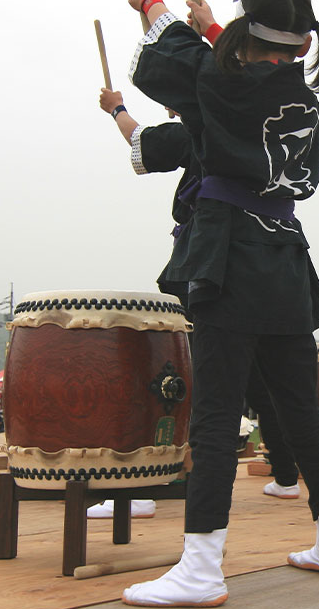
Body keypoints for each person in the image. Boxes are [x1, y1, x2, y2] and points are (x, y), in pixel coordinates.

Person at [119, 0, 319, 608]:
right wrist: (215, 26)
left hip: (231, 259)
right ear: (303, 44)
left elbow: (178, 63)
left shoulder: (220, 85)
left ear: (250, 36)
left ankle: (201, 566)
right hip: (285, 261)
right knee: (300, 411)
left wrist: (151, 3)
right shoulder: (302, 98)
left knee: (218, 413)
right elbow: (230, 65)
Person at [96, 84, 301, 506]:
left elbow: (141, 139)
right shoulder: (257, 131)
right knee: (258, 371)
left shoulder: (203, 128)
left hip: (206, 256)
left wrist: (116, 108)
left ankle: (160, 478)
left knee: (184, 371)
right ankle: (285, 473)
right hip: (262, 257)